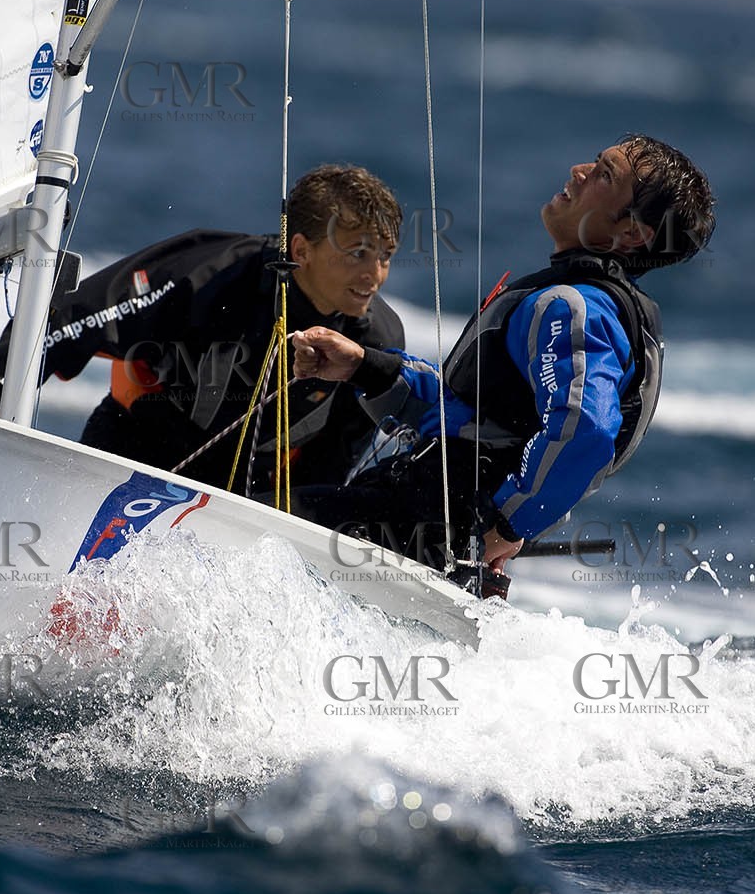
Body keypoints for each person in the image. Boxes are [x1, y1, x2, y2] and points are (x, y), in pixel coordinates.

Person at [290, 134, 716, 576]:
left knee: (256, 523)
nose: (579, 171)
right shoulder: (592, 305)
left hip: (425, 521)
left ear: (631, 233)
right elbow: (474, 414)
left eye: (604, 175)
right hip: (430, 526)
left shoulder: (572, 307)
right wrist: (364, 366)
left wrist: (512, 523)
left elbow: (585, 429)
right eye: (594, 161)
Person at [0, 164, 407, 493]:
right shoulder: (210, 274)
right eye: (357, 253)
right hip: (132, 453)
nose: (375, 274)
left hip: (251, 498)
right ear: (301, 250)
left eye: (384, 256)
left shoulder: (376, 343)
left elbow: (332, 467)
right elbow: (74, 320)